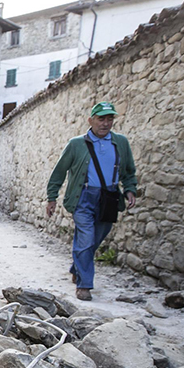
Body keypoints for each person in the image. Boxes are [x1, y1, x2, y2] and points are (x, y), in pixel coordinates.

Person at [45, 101, 138, 301]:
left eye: (109, 119)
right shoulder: (76, 144)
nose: (105, 123)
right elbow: (59, 172)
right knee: (86, 238)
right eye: (101, 119)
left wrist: (130, 190)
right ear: (91, 120)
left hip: (109, 197)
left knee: (96, 238)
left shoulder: (121, 143)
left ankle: (77, 267)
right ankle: (84, 285)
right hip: (83, 197)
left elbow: (129, 171)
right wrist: (51, 197)